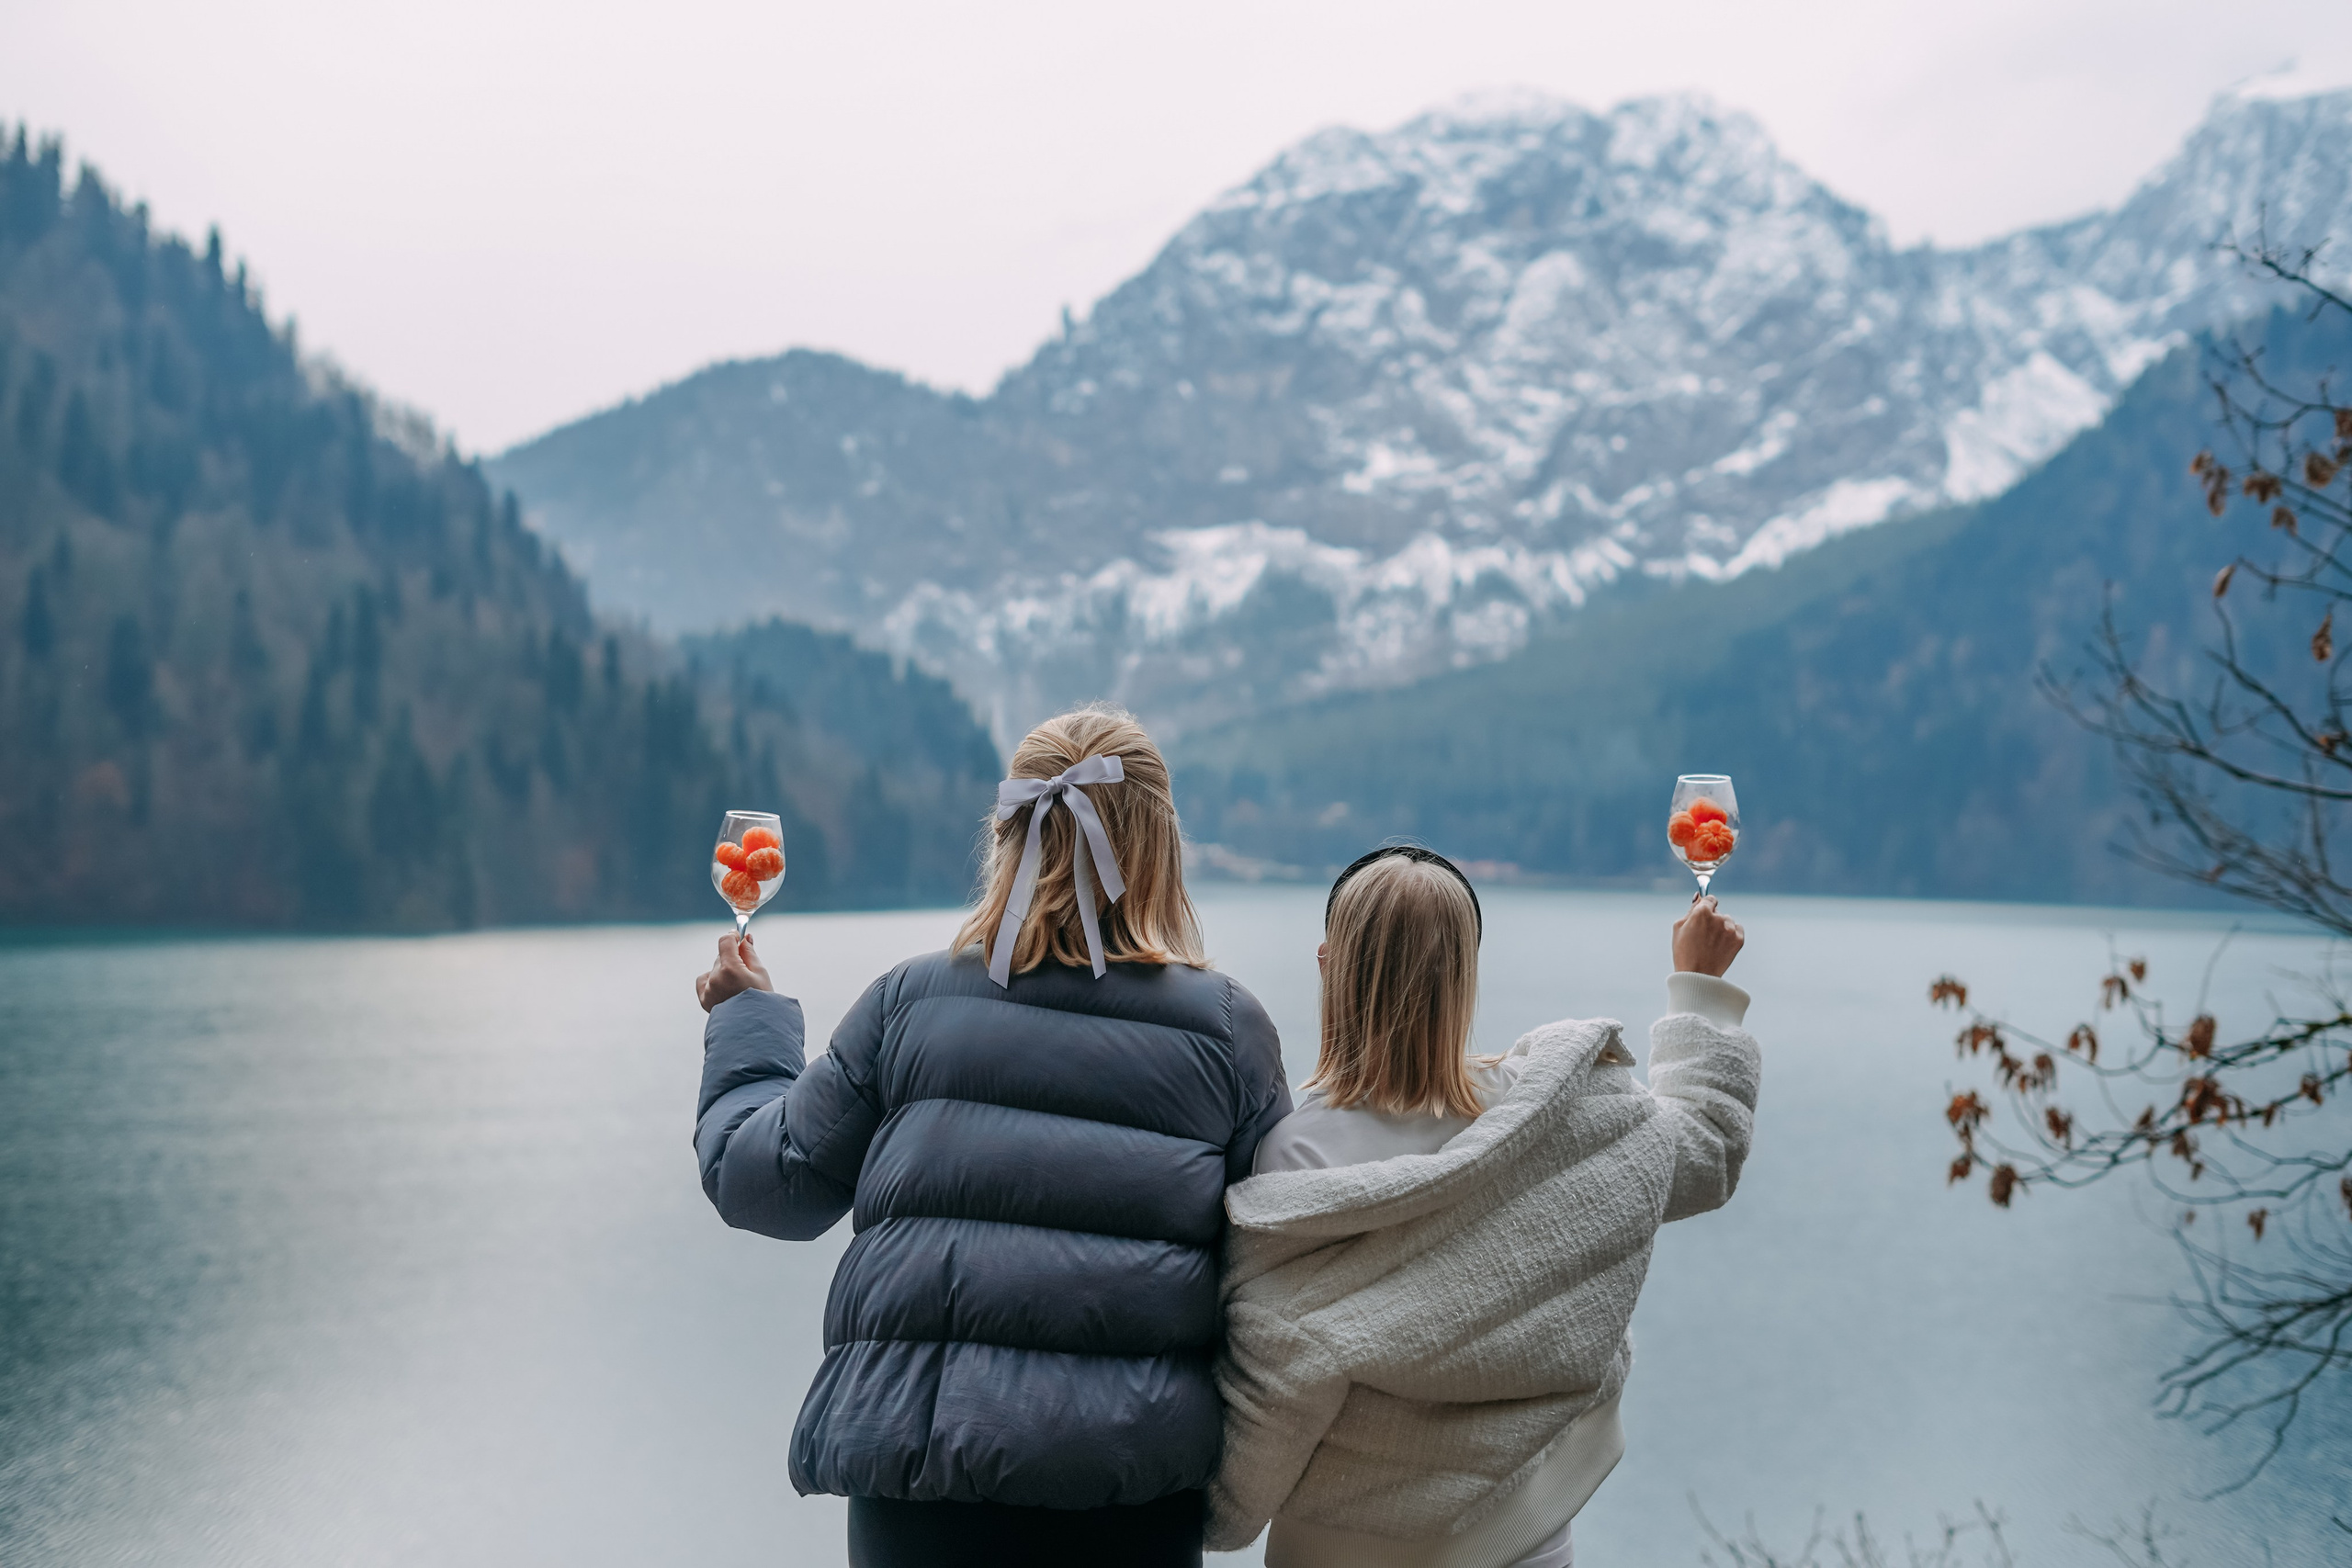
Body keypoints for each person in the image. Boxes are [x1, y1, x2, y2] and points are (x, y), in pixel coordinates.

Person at [690, 705, 1291, 1568]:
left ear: (1008, 838)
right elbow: (1288, 1247)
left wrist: (747, 1021)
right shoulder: (1226, 1031)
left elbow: (762, 1183)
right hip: (1126, 1497)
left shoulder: (908, 1004)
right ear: (1160, 849)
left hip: (923, 1499)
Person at [1208, 847, 1760, 1568]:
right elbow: (1705, 1147)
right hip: (1527, 1540)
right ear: (1466, 973)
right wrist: (1699, 987)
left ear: (1327, 965)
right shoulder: (1547, 1126)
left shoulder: (1292, 1158)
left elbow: (1277, 1384)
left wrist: (1219, 1508)